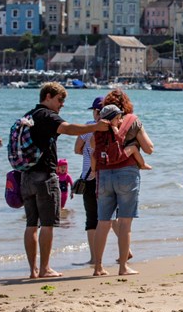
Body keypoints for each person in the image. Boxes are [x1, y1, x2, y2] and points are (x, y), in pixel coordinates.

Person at [19, 82, 110, 279]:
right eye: (60, 100)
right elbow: (67, 129)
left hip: (25, 176)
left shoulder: (29, 115)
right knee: (48, 224)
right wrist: (95, 126)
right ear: (48, 96)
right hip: (44, 175)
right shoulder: (47, 115)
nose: (62, 105)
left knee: (31, 224)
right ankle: (44, 269)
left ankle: (33, 271)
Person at [92, 89, 154, 277]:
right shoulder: (133, 121)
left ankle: (98, 267)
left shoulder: (100, 126)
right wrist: (132, 147)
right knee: (125, 224)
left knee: (103, 223)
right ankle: (122, 267)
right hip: (127, 173)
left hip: (103, 174)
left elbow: (94, 149)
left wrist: (95, 171)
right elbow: (149, 148)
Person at [74, 96, 104, 266]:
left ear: (96, 112)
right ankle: (126, 250)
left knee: (91, 218)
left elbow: (76, 149)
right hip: (108, 175)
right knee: (109, 216)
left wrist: (87, 152)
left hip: (90, 177)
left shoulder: (88, 127)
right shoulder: (113, 127)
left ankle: (94, 257)